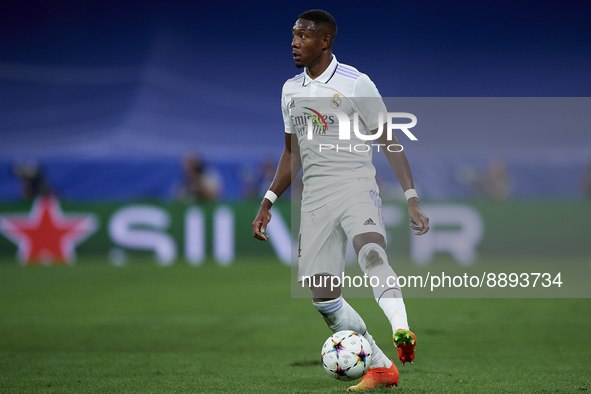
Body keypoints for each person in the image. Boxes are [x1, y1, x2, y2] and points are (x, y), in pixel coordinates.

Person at [252, 10, 429, 391]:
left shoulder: (356, 82)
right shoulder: (290, 90)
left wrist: (411, 198)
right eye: (293, 36)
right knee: (324, 297)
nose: (294, 42)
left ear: (325, 41)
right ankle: (381, 368)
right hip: (315, 195)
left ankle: (402, 329)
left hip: (355, 184)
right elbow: (291, 153)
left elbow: (389, 140)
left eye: (303, 36)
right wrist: (268, 201)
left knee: (370, 252)